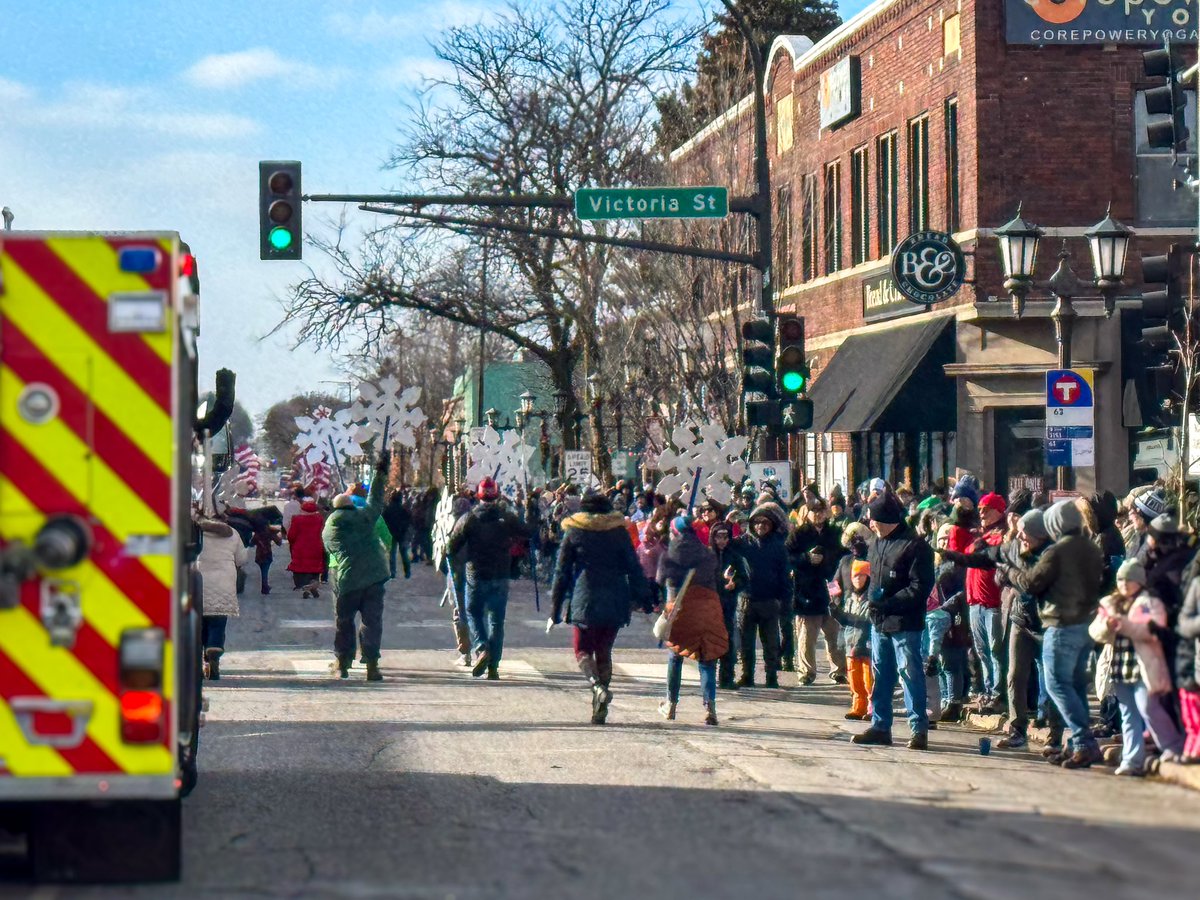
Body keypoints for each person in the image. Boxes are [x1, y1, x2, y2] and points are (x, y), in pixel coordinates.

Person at [1002, 500, 1104, 768]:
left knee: (1057, 684)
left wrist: (1009, 570)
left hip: (1060, 623)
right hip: (1083, 624)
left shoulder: (1059, 551)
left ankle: (1081, 742)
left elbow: (1031, 583)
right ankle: (1076, 745)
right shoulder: (1090, 547)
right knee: (1075, 686)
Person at [549, 491, 649, 724]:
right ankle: (599, 703)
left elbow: (561, 573)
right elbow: (634, 567)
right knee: (604, 649)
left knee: (582, 649)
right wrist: (643, 598)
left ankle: (596, 687)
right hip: (615, 597)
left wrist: (555, 609)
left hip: (585, 597)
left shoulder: (574, 531)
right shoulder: (619, 532)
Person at [852, 491, 935, 750]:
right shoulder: (876, 543)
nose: (870, 524)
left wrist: (886, 603)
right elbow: (874, 580)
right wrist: (865, 595)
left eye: (873, 519)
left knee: (909, 674)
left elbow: (920, 587)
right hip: (879, 623)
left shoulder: (915, 545)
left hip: (905, 623)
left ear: (887, 519)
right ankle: (880, 726)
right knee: (881, 675)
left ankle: (918, 728)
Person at [1091, 559, 1181, 775]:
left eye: (1129, 579)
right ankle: (1132, 760)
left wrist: (1126, 625)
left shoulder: (1150, 602)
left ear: (1139, 581)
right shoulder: (1110, 602)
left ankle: (1171, 747)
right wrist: (1107, 626)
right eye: (1120, 578)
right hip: (1120, 666)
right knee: (1128, 714)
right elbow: (1095, 632)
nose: (1124, 583)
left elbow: (1153, 630)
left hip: (1142, 666)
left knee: (1148, 708)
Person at [323, 452, 392, 682]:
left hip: (346, 580)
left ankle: (342, 663)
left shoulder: (330, 526)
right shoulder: (365, 517)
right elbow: (376, 500)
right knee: (372, 622)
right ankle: (372, 665)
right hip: (374, 577)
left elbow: (329, 550)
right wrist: (380, 472)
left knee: (343, 621)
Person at [447, 477, 526, 679]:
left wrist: (456, 557)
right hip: (500, 574)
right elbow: (527, 533)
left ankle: (482, 647)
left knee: (473, 612)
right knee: (496, 621)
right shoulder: (506, 517)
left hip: (476, 574)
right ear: (497, 495)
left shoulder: (469, 518)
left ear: (478, 496)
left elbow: (451, 546)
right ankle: (493, 667)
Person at [656, 516, 729, 725]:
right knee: (707, 659)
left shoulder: (669, 555)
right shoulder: (707, 554)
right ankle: (709, 708)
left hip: (681, 610)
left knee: (675, 656)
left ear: (675, 532)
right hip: (707, 607)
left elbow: (661, 580)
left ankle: (671, 704)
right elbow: (716, 579)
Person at [727, 501, 791, 688]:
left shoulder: (778, 546)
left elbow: (784, 576)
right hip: (746, 599)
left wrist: (785, 602)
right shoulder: (743, 543)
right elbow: (723, 544)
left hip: (770, 601)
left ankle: (771, 677)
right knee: (746, 643)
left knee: (771, 643)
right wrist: (729, 524)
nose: (761, 526)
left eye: (765, 523)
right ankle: (747, 675)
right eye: (757, 522)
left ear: (771, 525)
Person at [786, 499, 846, 686]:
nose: (818, 514)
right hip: (807, 589)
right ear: (807, 513)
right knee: (807, 635)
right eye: (814, 511)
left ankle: (838, 670)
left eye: (821, 511)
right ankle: (806, 671)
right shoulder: (799, 534)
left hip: (831, 586)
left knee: (834, 633)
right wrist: (806, 558)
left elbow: (844, 555)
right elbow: (787, 557)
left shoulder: (835, 533)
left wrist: (827, 558)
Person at [197, 515, 249, 680]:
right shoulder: (233, 534)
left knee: (198, 624)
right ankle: (214, 648)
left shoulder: (195, 532)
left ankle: (199, 659)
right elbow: (242, 559)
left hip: (197, 583)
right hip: (223, 583)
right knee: (218, 622)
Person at [830, 559, 873, 720]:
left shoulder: (871, 598)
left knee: (869, 679)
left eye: (862, 575)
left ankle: (871, 708)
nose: (858, 579)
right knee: (854, 680)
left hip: (866, 643)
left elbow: (866, 619)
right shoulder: (849, 598)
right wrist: (836, 613)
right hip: (850, 643)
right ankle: (858, 707)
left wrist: (845, 616)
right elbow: (846, 621)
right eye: (855, 576)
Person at [709, 521, 740, 690]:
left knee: (728, 642)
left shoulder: (733, 556)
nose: (722, 540)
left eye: (725, 537)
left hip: (728, 605)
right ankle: (709, 676)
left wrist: (735, 584)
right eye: (718, 536)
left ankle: (727, 677)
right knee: (710, 643)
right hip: (711, 605)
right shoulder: (707, 556)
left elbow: (744, 577)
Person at [1178, 576, 1200, 763]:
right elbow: (1184, 622)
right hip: (1196, 660)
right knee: (1192, 712)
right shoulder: (1197, 584)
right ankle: (1193, 748)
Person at [286, 496, 326, 597]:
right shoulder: (319, 519)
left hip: (300, 548)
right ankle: (313, 584)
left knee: (301, 570)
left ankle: (305, 587)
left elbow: (291, 535)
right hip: (316, 547)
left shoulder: (297, 519)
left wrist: (292, 543)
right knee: (314, 568)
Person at [382, 489, 413, 580]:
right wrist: (404, 529)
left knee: (392, 554)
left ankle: (393, 572)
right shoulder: (403, 509)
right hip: (401, 533)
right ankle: (407, 572)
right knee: (404, 553)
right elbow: (409, 520)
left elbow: (384, 520)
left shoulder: (387, 509)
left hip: (391, 533)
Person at [252, 516, 282, 595]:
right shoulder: (270, 532)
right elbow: (279, 543)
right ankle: (264, 586)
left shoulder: (257, 534)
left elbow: (251, 543)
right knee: (265, 570)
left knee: (262, 570)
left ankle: (264, 585)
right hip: (267, 553)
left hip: (259, 554)